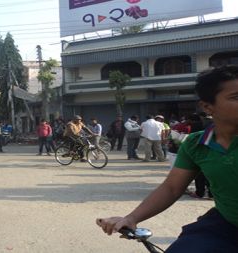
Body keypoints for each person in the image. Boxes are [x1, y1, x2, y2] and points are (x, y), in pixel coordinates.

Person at [96, 66, 238, 252]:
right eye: (235, 97)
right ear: (207, 106)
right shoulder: (196, 144)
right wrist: (132, 218)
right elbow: (171, 188)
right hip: (226, 224)